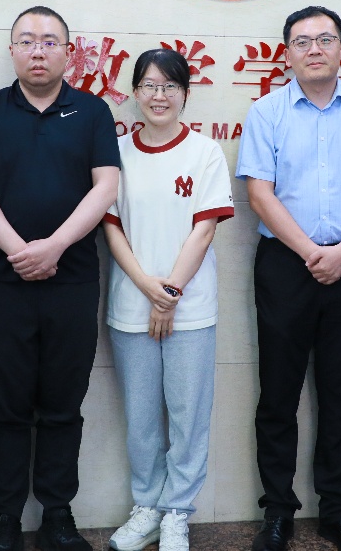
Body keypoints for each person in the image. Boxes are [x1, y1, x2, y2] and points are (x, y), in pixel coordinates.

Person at [236, 6, 341, 551]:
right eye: (303, 41)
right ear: (286, 53)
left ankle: (336, 509)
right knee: (278, 396)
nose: (315, 49)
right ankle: (277, 511)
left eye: (325, 39)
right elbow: (259, 193)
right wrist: (313, 252)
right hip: (286, 267)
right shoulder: (266, 112)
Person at [0, 6, 120, 551]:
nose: (38, 50)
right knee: (5, 405)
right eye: (27, 40)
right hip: (4, 284)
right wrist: (19, 251)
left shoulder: (92, 111)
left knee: (63, 404)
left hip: (72, 281)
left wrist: (54, 247)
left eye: (50, 41)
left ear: (68, 53)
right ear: (12, 50)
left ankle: (57, 513)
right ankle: (5, 519)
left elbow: (105, 187)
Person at [103, 49, 234, 551]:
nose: (159, 96)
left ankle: (177, 512)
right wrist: (148, 289)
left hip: (191, 309)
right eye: (150, 86)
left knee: (187, 415)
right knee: (140, 418)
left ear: (185, 93)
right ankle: (147, 507)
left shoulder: (204, 152)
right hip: (130, 305)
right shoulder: (117, 154)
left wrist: (171, 294)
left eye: (170, 87)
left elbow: (205, 230)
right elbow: (112, 229)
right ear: (135, 92)